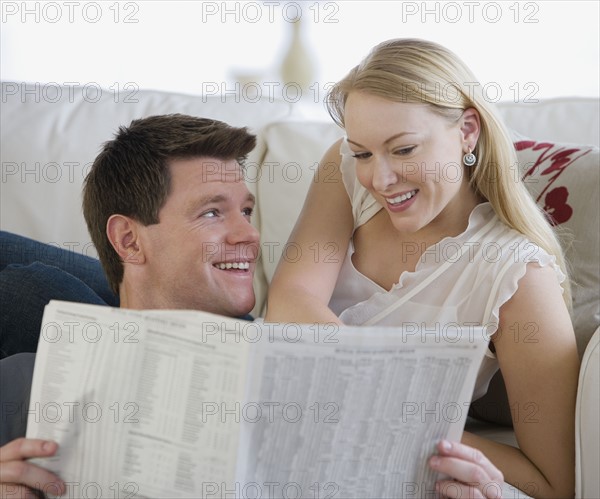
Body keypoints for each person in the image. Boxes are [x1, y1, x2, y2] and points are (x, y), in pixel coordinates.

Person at [0, 113, 504, 499]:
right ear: (128, 241)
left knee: (29, 283)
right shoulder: (26, 386)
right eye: (213, 212)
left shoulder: (299, 372)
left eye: (245, 210)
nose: (250, 235)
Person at [265, 38, 580, 498]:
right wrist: (367, 398)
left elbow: (555, 482)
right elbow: (290, 301)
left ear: (467, 130)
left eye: (405, 149)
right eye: (364, 152)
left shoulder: (516, 275)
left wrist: (394, 427)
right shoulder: (344, 171)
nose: (380, 179)